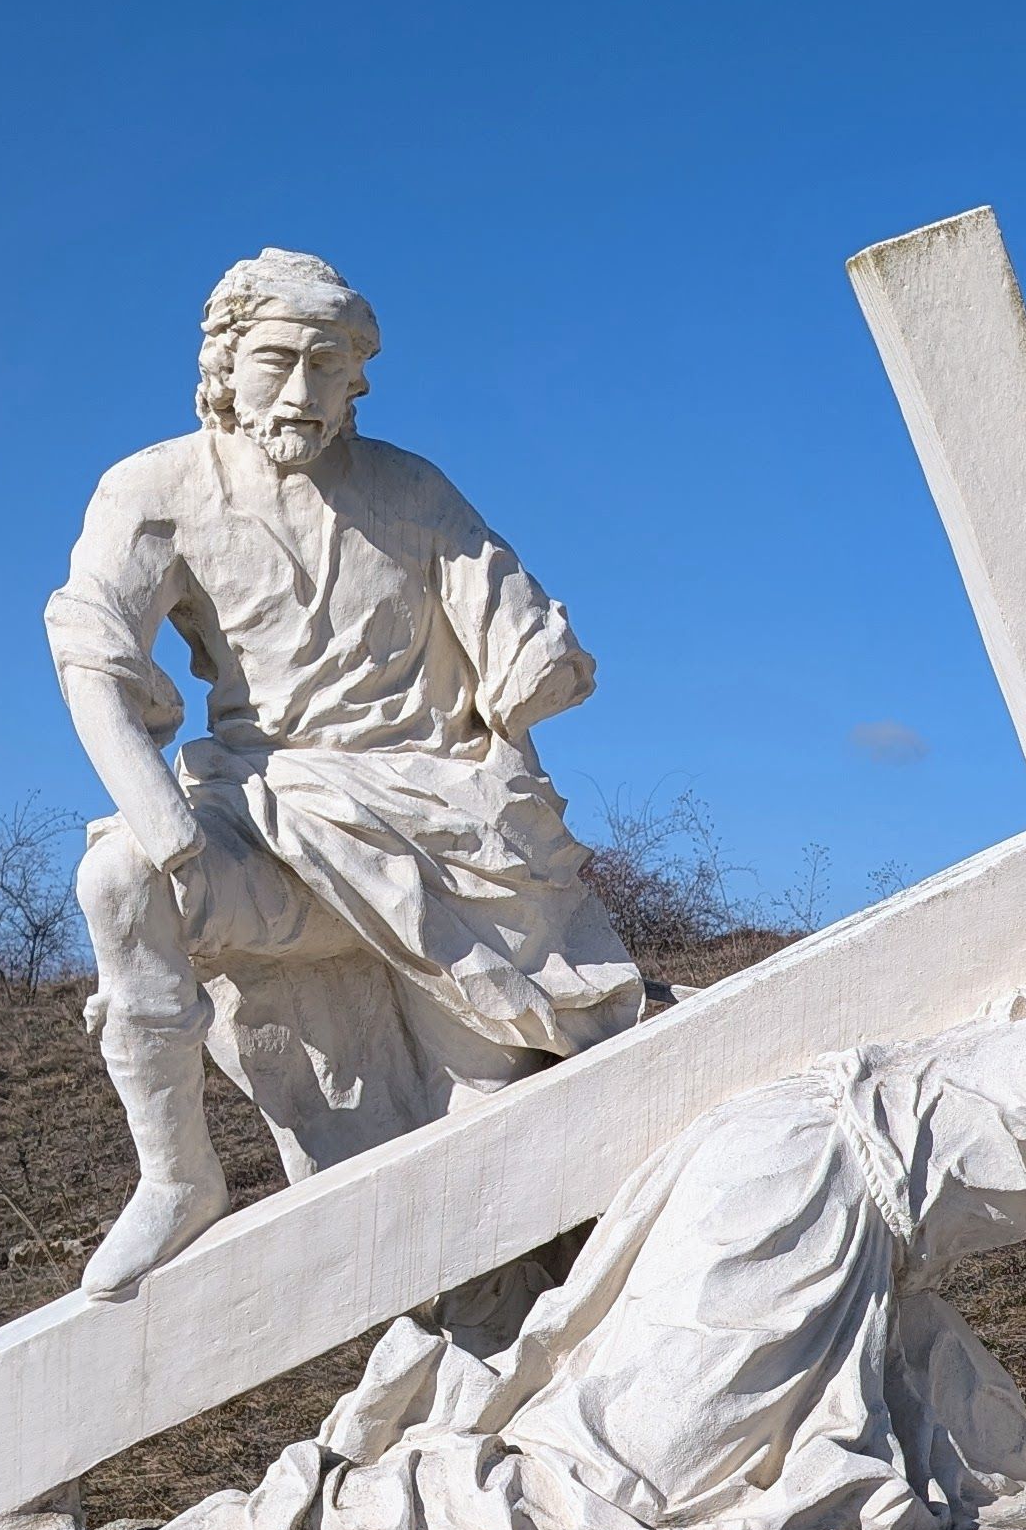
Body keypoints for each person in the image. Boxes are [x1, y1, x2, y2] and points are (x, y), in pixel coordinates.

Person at [87, 865, 1026, 1530]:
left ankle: (344, 1502)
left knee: (965, 1452)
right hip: (798, 1201)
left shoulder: (1023, 1038)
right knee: (618, 1498)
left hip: (817, 1198)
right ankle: (274, 1523)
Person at [47, 249, 645, 1300]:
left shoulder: (411, 489)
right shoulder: (154, 490)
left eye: (328, 367)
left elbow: (514, 624)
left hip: (446, 840)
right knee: (116, 879)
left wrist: (532, 669)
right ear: (224, 363)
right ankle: (177, 1177)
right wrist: (166, 827)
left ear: (356, 379)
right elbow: (90, 653)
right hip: (268, 826)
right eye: (277, 360)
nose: (301, 390)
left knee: (503, 1162)